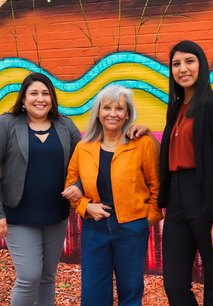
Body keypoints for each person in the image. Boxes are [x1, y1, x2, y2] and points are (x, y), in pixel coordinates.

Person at [0, 72, 82, 306]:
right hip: (18, 215)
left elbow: (85, 160)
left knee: (48, 277)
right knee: (29, 276)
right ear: (23, 99)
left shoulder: (65, 125)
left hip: (55, 214)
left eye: (46, 93)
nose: (41, 98)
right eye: (34, 93)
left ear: (53, 98)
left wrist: (77, 186)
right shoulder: (6, 124)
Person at [64, 85, 163, 306]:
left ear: (127, 113)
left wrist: (148, 218)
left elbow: (156, 183)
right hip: (95, 227)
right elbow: (71, 185)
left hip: (131, 227)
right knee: (93, 292)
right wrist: (85, 207)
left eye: (119, 108)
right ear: (98, 112)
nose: (112, 113)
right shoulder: (83, 147)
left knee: (130, 290)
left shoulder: (141, 143)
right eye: (106, 107)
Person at [158, 40, 213, 305]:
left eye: (189, 61)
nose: (182, 68)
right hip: (178, 200)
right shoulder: (176, 109)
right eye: (176, 64)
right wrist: (148, 134)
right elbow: (177, 150)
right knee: (174, 283)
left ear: (201, 64)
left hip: (209, 198)